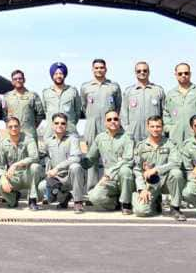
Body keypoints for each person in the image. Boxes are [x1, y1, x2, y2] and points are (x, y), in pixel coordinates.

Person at [132, 116, 186, 221]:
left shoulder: (170, 144)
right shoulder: (141, 146)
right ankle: (155, 202)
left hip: (167, 182)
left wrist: (156, 169)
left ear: (162, 128)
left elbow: (176, 162)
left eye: (158, 126)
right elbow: (137, 170)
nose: (155, 129)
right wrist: (142, 189)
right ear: (147, 127)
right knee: (141, 211)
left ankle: (175, 208)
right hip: (150, 184)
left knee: (176, 173)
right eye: (152, 126)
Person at [81, 111, 134, 214]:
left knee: (125, 170)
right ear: (105, 123)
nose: (113, 121)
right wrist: (79, 161)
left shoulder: (128, 137)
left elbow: (128, 159)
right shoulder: (100, 138)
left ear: (119, 121)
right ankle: (116, 203)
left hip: (126, 180)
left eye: (115, 119)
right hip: (110, 181)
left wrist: (109, 174)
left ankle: (126, 204)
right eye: (109, 120)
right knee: (94, 198)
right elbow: (91, 158)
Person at [81, 59, 122, 194]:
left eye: (101, 68)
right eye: (96, 68)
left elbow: (118, 106)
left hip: (109, 125)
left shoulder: (113, 87)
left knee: (110, 156)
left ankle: (109, 189)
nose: (99, 70)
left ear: (106, 69)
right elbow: (84, 106)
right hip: (91, 125)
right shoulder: (86, 87)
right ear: (92, 69)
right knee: (91, 157)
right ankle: (91, 190)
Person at [37, 113, 85, 213]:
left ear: (66, 125)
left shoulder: (73, 139)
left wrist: (57, 168)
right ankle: (64, 198)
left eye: (63, 123)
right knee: (42, 187)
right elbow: (39, 154)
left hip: (71, 177)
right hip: (56, 178)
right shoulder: (48, 141)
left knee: (75, 167)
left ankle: (78, 202)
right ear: (52, 125)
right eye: (57, 123)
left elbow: (76, 158)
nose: (59, 125)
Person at [0, 117, 43, 211]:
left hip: (27, 175)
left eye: (16, 126)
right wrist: (3, 178)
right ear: (7, 129)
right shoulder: (3, 143)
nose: (13, 129)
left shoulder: (29, 139)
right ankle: (13, 198)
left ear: (20, 127)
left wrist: (16, 165)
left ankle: (32, 200)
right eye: (10, 127)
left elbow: (34, 157)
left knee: (35, 167)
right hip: (14, 177)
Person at [163, 63, 196, 145]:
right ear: (175, 75)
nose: (183, 75)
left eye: (186, 73)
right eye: (180, 74)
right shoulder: (170, 94)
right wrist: (170, 128)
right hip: (176, 137)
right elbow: (166, 113)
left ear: (190, 74)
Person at [121, 61, 165, 142]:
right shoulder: (129, 91)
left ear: (149, 72)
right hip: (134, 135)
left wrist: (161, 130)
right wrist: (128, 130)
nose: (142, 72)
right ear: (135, 73)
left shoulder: (158, 90)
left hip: (154, 134)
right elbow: (124, 114)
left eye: (145, 70)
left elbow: (164, 113)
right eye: (139, 71)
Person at [3, 70, 45, 142]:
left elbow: (40, 114)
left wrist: (31, 126)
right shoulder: (7, 96)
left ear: (24, 80)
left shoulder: (33, 95)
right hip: (13, 133)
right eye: (15, 79)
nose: (18, 80)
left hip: (29, 133)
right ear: (12, 82)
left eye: (20, 78)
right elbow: (4, 114)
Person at [42, 63, 81, 139]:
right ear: (52, 75)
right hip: (51, 132)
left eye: (61, 73)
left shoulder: (73, 91)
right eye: (56, 74)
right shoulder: (46, 92)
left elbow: (78, 111)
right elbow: (45, 110)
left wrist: (70, 123)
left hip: (69, 131)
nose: (58, 76)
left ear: (64, 75)